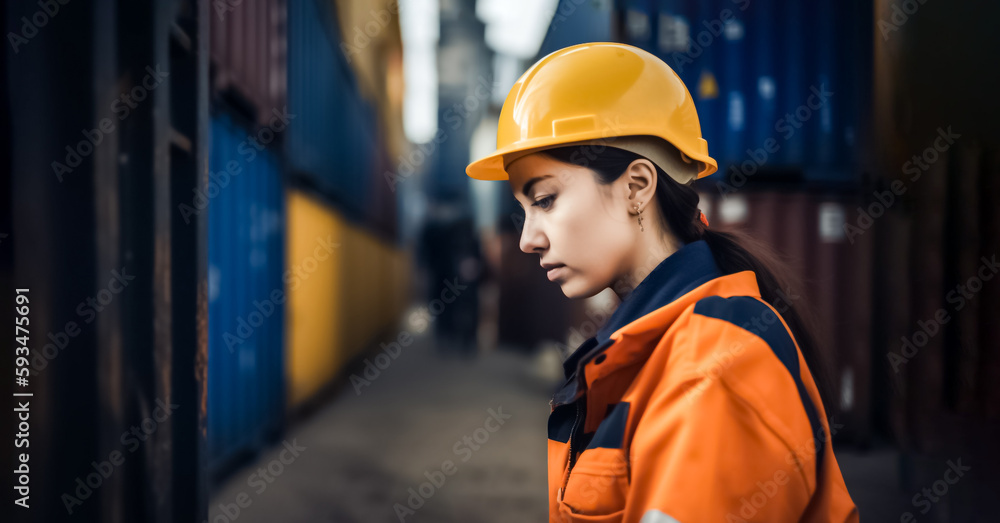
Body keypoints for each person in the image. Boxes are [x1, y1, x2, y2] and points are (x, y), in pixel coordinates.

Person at [465, 42, 859, 522]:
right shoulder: (652, 346)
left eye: (545, 200)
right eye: (523, 211)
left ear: (636, 187)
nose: (527, 240)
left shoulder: (715, 376)